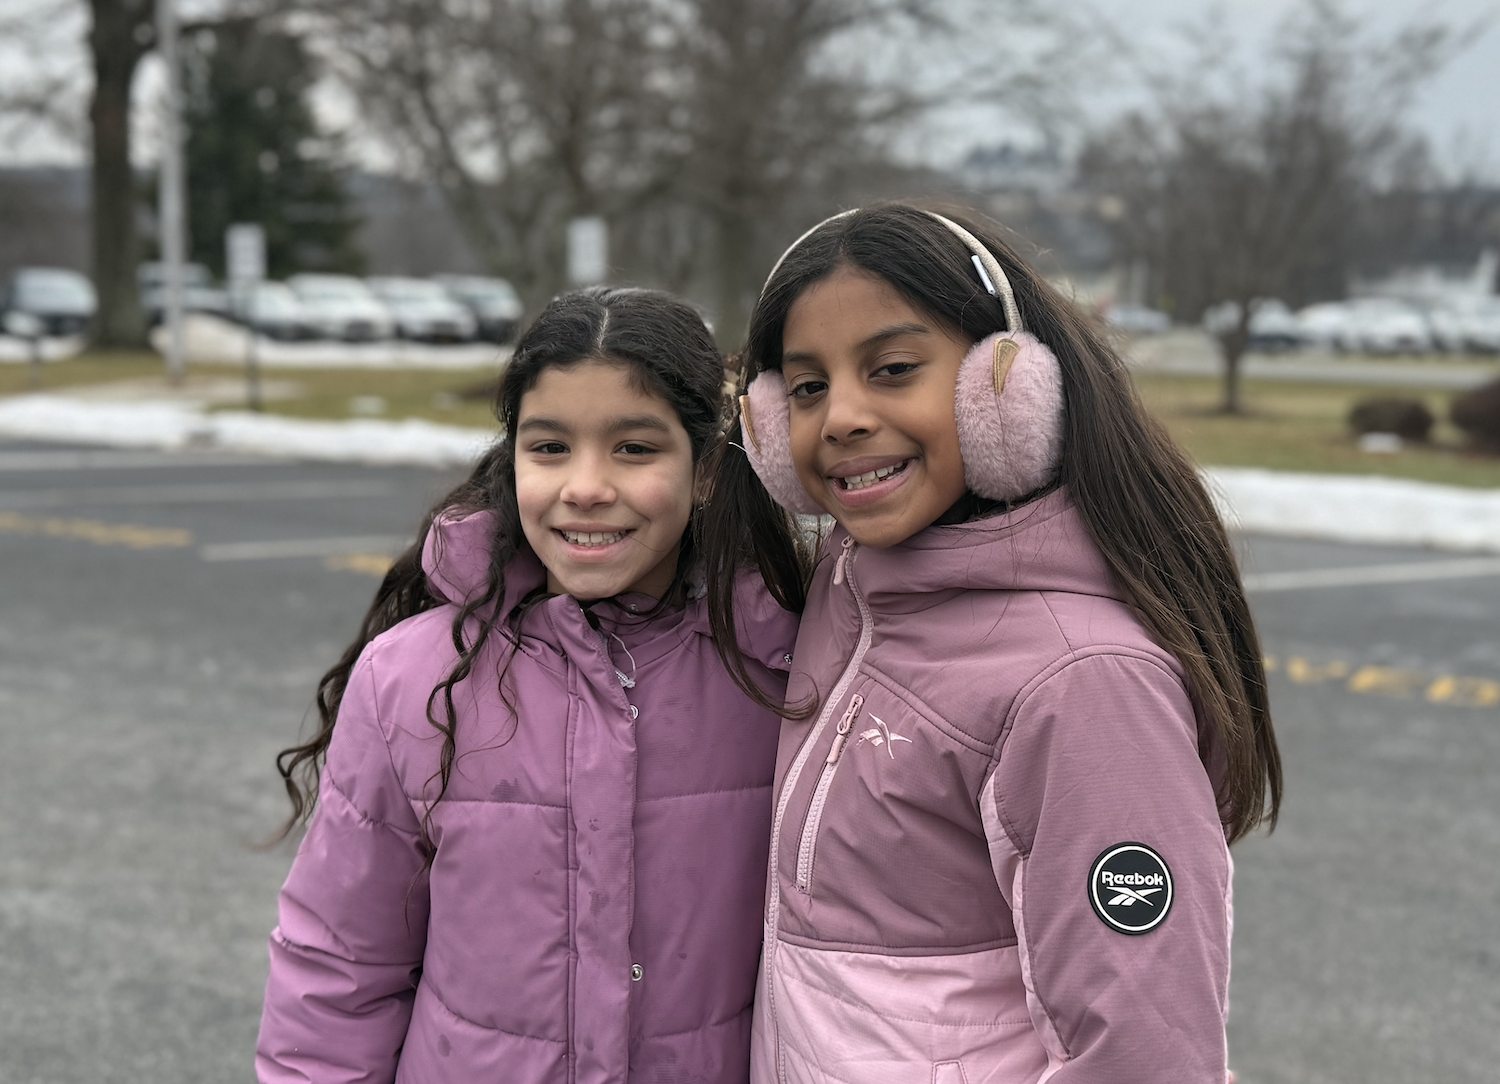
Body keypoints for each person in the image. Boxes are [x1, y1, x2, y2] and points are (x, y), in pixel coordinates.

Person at [700, 204, 1282, 1083]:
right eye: (808, 387)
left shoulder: (1084, 683)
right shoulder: (855, 590)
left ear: (1004, 389)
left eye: (893, 369)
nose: (841, 418)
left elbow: (1146, 1053)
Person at [257, 287, 803, 1083]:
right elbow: (338, 963)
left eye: (634, 449)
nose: (583, 486)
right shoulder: (414, 678)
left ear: (708, 467)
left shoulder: (781, 669)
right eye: (550, 448)